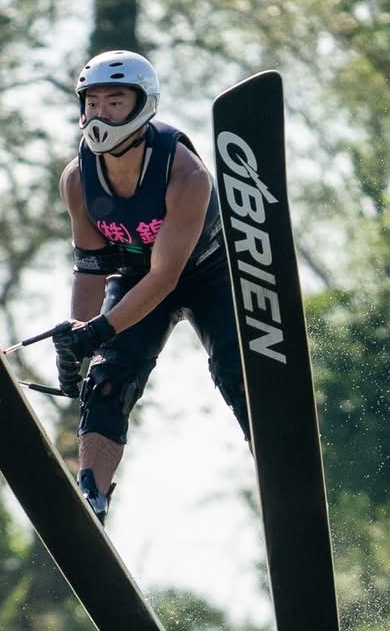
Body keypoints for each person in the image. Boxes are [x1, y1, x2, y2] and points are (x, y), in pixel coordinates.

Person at [53, 50, 249, 524]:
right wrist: (79, 338)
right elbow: (91, 265)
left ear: (144, 105)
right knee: (108, 379)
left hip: (209, 273)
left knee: (236, 369)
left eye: (115, 102)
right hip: (136, 275)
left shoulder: (185, 174)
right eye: (92, 102)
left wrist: (99, 328)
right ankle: (92, 497)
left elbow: (167, 277)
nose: (101, 114)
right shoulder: (78, 179)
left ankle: (277, 464)